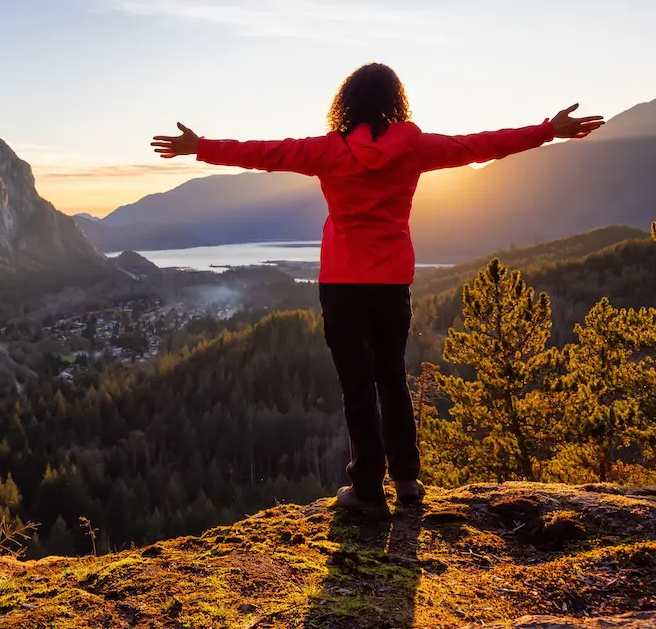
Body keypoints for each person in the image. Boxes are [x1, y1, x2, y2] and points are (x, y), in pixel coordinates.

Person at [151, 62, 603, 516]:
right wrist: (547, 130)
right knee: (391, 377)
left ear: (345, 102)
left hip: (343, 282)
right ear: (395, 101)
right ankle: (407, 478)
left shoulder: (328, 151)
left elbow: (265, 153)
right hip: (392, 280)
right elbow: (480, 145)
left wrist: (201, 147)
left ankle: (367, 490)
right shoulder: (413, 148)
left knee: (357, 385)